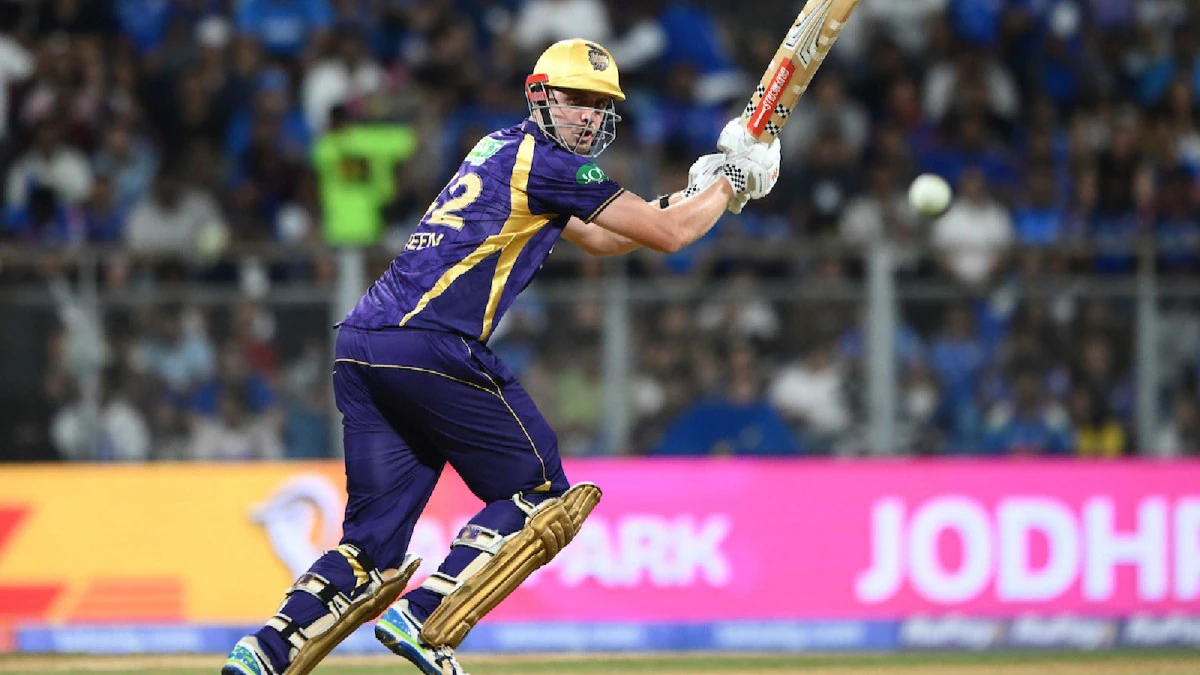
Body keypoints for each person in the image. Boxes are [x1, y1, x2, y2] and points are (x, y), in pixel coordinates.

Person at [222, 38, 780, 675]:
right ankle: (427, 618)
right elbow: (672, 236)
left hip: (363, 345)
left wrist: (697, 192)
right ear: (539, 96)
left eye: (600, 105)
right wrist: (730, 186)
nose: (589, 116)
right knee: (540, 493)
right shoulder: (552, 162)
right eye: (576, 99)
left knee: (372, 549)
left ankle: (264, 652)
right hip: (430, 342)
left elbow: (604, 237)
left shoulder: (499, 148)